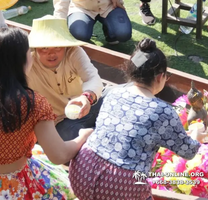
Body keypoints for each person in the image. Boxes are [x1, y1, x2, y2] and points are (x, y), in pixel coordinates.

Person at [0, 27, 93, 199]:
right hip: (15, 186)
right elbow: (59, 155)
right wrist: (83, 137)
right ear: (22, 59)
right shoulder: (33, 104)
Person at [69, 38, 205, 200]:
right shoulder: (162, 111)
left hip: (81, 172)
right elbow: (188, 151)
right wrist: (197, 136)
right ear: (160, 77)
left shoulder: (113, 92)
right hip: (118, 186)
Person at [27, 15, 103, 141]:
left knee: (119, 94)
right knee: (67, 136)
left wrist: (87, 97)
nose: (51, 53)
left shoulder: (74, 52)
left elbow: (92, 78)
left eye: (57, 46)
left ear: (65, 45)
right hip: (60, 121)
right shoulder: (28, 64)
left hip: (87, 105)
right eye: (44, 48)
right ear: (35, 48)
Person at [53, 0, 132, 45]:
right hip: (81, 7)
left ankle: (110, 33)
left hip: (108, 5)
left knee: (123, 33)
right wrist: (59, 24)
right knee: (79, 34)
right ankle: (86, 29)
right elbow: (61, 2)